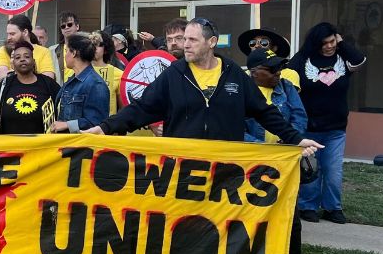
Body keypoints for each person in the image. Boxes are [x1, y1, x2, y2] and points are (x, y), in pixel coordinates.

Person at [87, 18, 322, 154]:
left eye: (192, 40)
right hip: (182, 168)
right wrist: (106, 127)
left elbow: (264, 112)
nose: (184, 45)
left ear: (211, 42)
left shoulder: (234, 75)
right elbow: (142, 108)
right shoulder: (174, 74)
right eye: (182, 39)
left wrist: (295, 138)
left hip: (225, 169)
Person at [287, 22, 367, 224]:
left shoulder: (343, 59)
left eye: (332, 41)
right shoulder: (304, 59)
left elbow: (360, 60)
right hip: (309, 128)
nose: (329, 46)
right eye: (324, 43)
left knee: (333, 171)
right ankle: (308, 207)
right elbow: (288, 77)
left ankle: (333, 208)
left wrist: (342, 42)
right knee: (311, 170)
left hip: (336, 128)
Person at [244, 48, 309, 254]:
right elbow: (237, 127)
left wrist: (290, 141)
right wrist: (261, 148)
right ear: (254, 73)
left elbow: (300, 117)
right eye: (271, 69)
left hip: (285, 164)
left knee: (291, 218)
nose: (277, 73)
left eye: (279, 68)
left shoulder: (287, 88)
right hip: (254, 165)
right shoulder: (242, 91)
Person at [0, 40, 61, 134]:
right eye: (17, 57)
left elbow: (63, 110)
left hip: (44, 146)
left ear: (34, 62)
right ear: (13, 64)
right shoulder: (4, 85)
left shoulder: (49, 84)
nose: (22, 59)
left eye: (27, 56)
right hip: (10, 146)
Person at [51, 32, 111, 133]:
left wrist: (66, 125)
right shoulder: (73, 80)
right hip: (66, 144)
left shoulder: (96, 85)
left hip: (81, 146)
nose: (65, 56)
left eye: (66, 51)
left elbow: (96, 123)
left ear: (74, 53)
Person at [0, 15, 56, 80]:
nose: (8, 38)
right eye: (8, 34)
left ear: (25, 32)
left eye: (12, 34)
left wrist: (15, 73)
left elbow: (48, 79)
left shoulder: (43, 51)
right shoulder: (3, 50)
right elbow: (3, 77)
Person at [51, 12, 80, 85]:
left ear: (77, 26)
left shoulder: (87, 47)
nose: (66, 27)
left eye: (69, 24)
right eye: (63, 26)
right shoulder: (52, 50)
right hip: (61, 92)